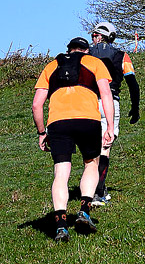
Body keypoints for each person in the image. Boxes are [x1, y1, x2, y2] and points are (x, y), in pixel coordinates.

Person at [32, 37, 115, 242]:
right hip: (88, 120)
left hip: (58, 123)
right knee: (91, 163)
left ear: (68, 50)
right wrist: (110, 126)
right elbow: (106, 95)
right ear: (86, 50)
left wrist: (42, 132)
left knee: (61, 172)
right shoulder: (95, 62)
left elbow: (36, 105)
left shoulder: (51, 66)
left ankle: (61, 225)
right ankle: (84, 210)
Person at [88, 21, 140, 207]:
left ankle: (94, 190)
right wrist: (135, 107)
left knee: (91, 150)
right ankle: (98, 192)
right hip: (111, 101)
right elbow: (132, 83)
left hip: (88, 102)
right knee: (105, 149)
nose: (92, 38)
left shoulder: (85, 54)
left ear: (100, 36)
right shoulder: (122, 55)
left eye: (94, 35)